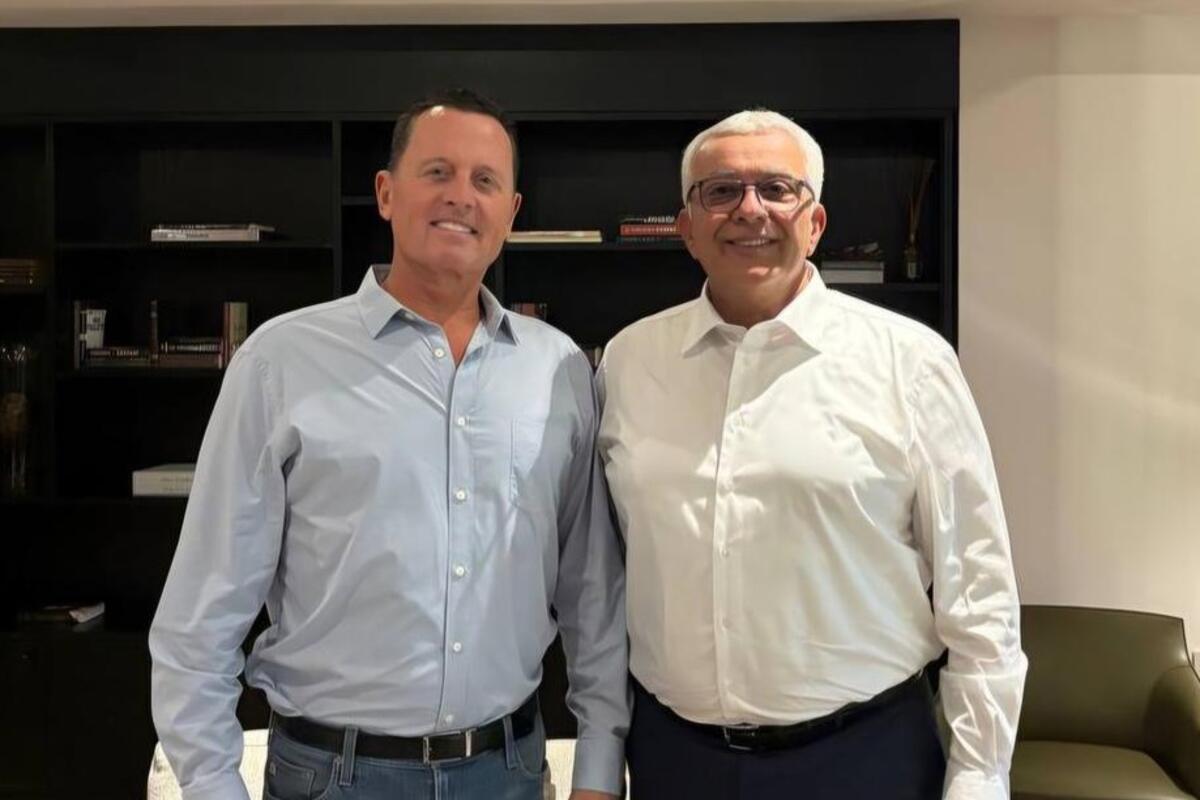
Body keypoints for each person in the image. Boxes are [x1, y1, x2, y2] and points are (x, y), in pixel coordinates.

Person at [150, 89, 628, 800]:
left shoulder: (557, 369)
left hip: (509, 770)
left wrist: (599, 765)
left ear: (510, 213)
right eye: (437, 172)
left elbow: (592, 592)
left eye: (485, 180)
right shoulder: (280, 361)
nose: (461, 196)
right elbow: (204, 607)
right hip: (334, 776)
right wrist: (213, 784)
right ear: (385, 192)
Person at [597, 109, 1027, 800]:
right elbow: (610, 567)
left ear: (816, 222)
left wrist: (979, 773)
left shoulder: (910, 363)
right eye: (721, 191)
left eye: (776, 189)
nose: (750, 210)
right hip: (675, 759)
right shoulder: (628, 362)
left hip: (863, 759)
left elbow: (977, 584)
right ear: (687, 228)